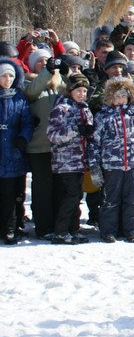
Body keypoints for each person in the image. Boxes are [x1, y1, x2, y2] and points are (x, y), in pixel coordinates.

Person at [89, 78, 134, 243]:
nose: (119, 99)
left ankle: (133, 230)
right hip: (111, 164)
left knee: (132, 200)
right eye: (116, 96)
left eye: (123, 95)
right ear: (110, 97)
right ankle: (108, 231)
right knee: (110, 200)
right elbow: (94, 143)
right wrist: (94, 167)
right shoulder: (103, 116)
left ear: (129, 96)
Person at [45, 73, 93, 244]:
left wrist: (89, 133)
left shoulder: (84, 108)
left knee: (77, 195)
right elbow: (52, 135)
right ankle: (61, 230)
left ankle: (73, 229)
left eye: (84, 91)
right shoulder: (61, 108)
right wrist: (75, 130)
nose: (82, 94)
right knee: (71, 195)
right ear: (71, 90)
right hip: (65, 161)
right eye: (78, 90)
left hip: (81, 160)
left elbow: (87, 131)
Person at [24, 48, 66, 239]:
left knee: (59, 187)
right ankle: (43, 226)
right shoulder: (28, 81)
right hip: (39, 145)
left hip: (60, 146)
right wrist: (47, 72)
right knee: (42, 187)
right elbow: (31, 93)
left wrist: (70, 73)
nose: (44, 64)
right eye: (39, 61)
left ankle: (59, 224)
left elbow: (74, 94)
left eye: (47, 61)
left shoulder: (59, 84)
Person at [0, 57, 33, 244]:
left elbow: (27, 122)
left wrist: (23, 137)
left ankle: (12, 227)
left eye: (11, 76)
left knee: (15, 193)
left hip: (15, 152)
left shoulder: (19, 98)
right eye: (4, 76)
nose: (8, 79)